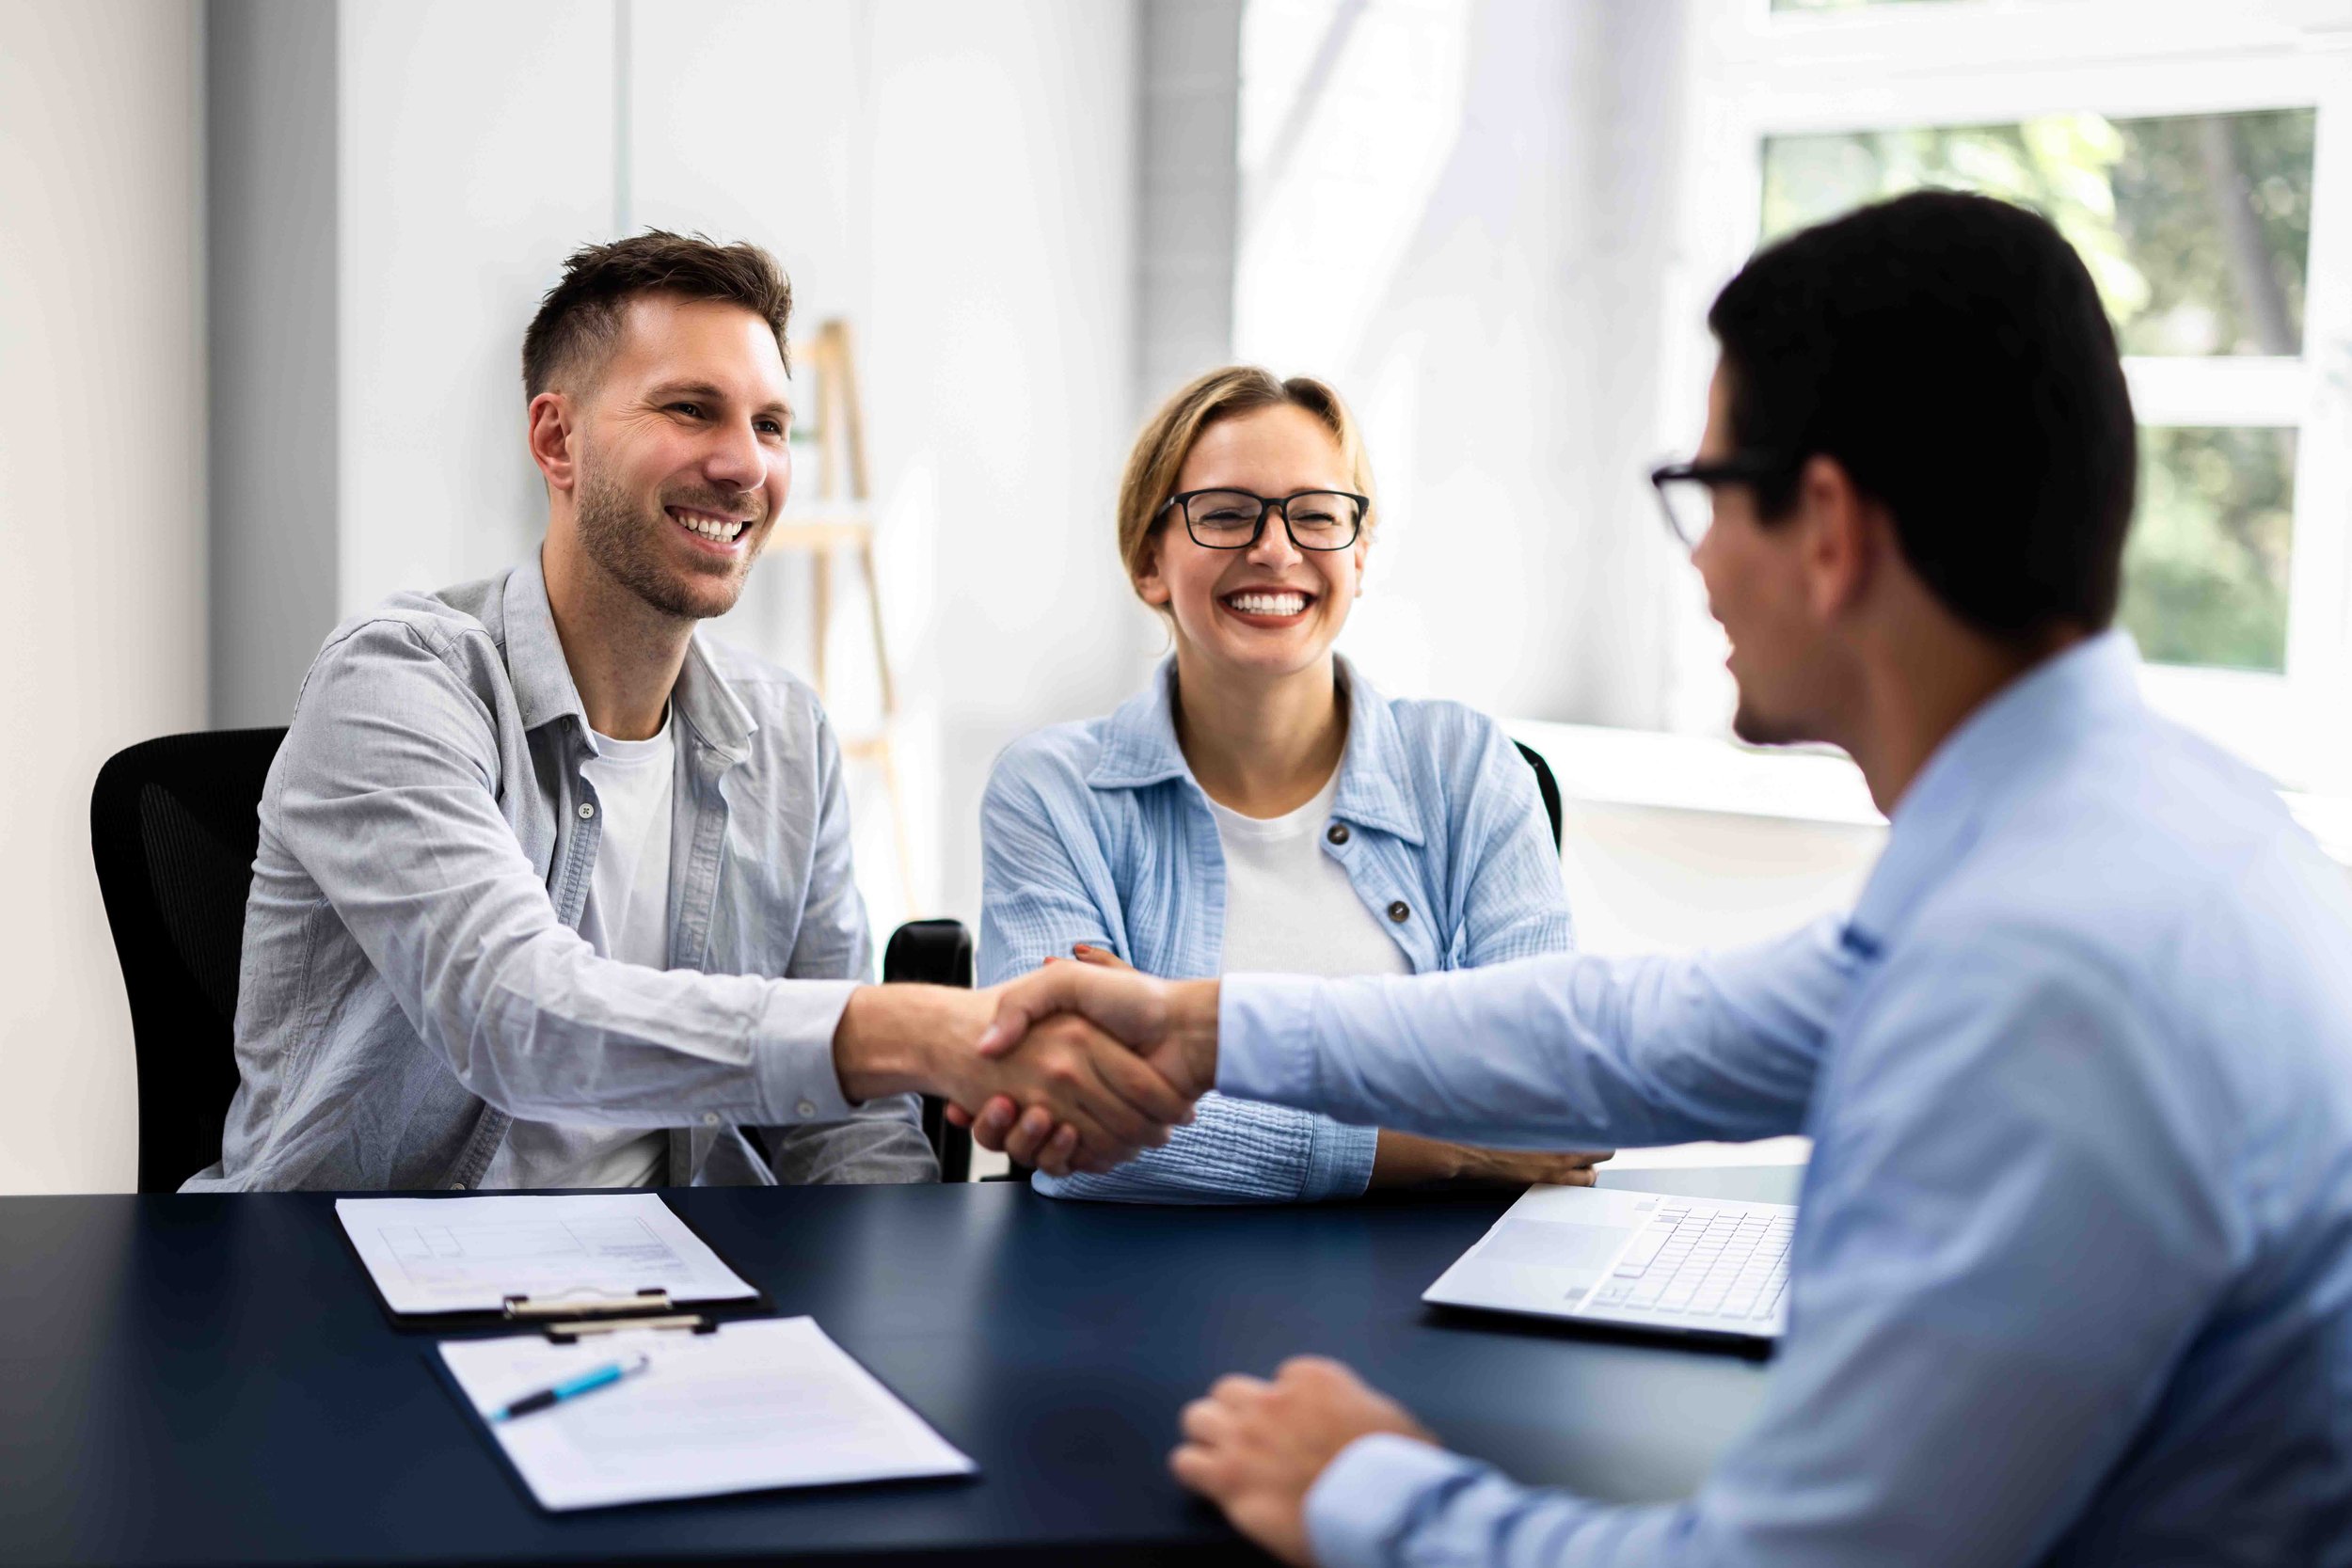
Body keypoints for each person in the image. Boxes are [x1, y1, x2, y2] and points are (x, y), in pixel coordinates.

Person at [972, 191, 2352, 1563]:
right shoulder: (2145, 831)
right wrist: (1203, 1025)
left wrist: (1367, 1486)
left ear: (1827, 528)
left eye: (1705, 493)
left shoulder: (2048, 970)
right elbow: (1649, 1027)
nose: (1694, 565)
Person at [187, 231, 1184, 1193]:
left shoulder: (787, 735)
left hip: (681, 1293)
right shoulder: (397, 682)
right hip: (354, 1291)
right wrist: (921, 1031)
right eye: (691, 409)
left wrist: (898, 1307)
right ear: (556, 438)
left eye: (769, 424)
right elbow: (514, 1015)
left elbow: (847, 1129)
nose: (745, 464)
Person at [972, 366, 1606, 1201]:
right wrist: (1445, 1140)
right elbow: (1076, 1121)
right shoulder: (1051, 793)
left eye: (1316, 515)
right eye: (1227, 514)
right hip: (1139, 1300)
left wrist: (1174, 1071)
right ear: (1148, 560)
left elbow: (1548, 1092)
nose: (1276, 549)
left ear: (1361, 554)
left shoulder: (1471, 767)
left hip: (1442, 1295)